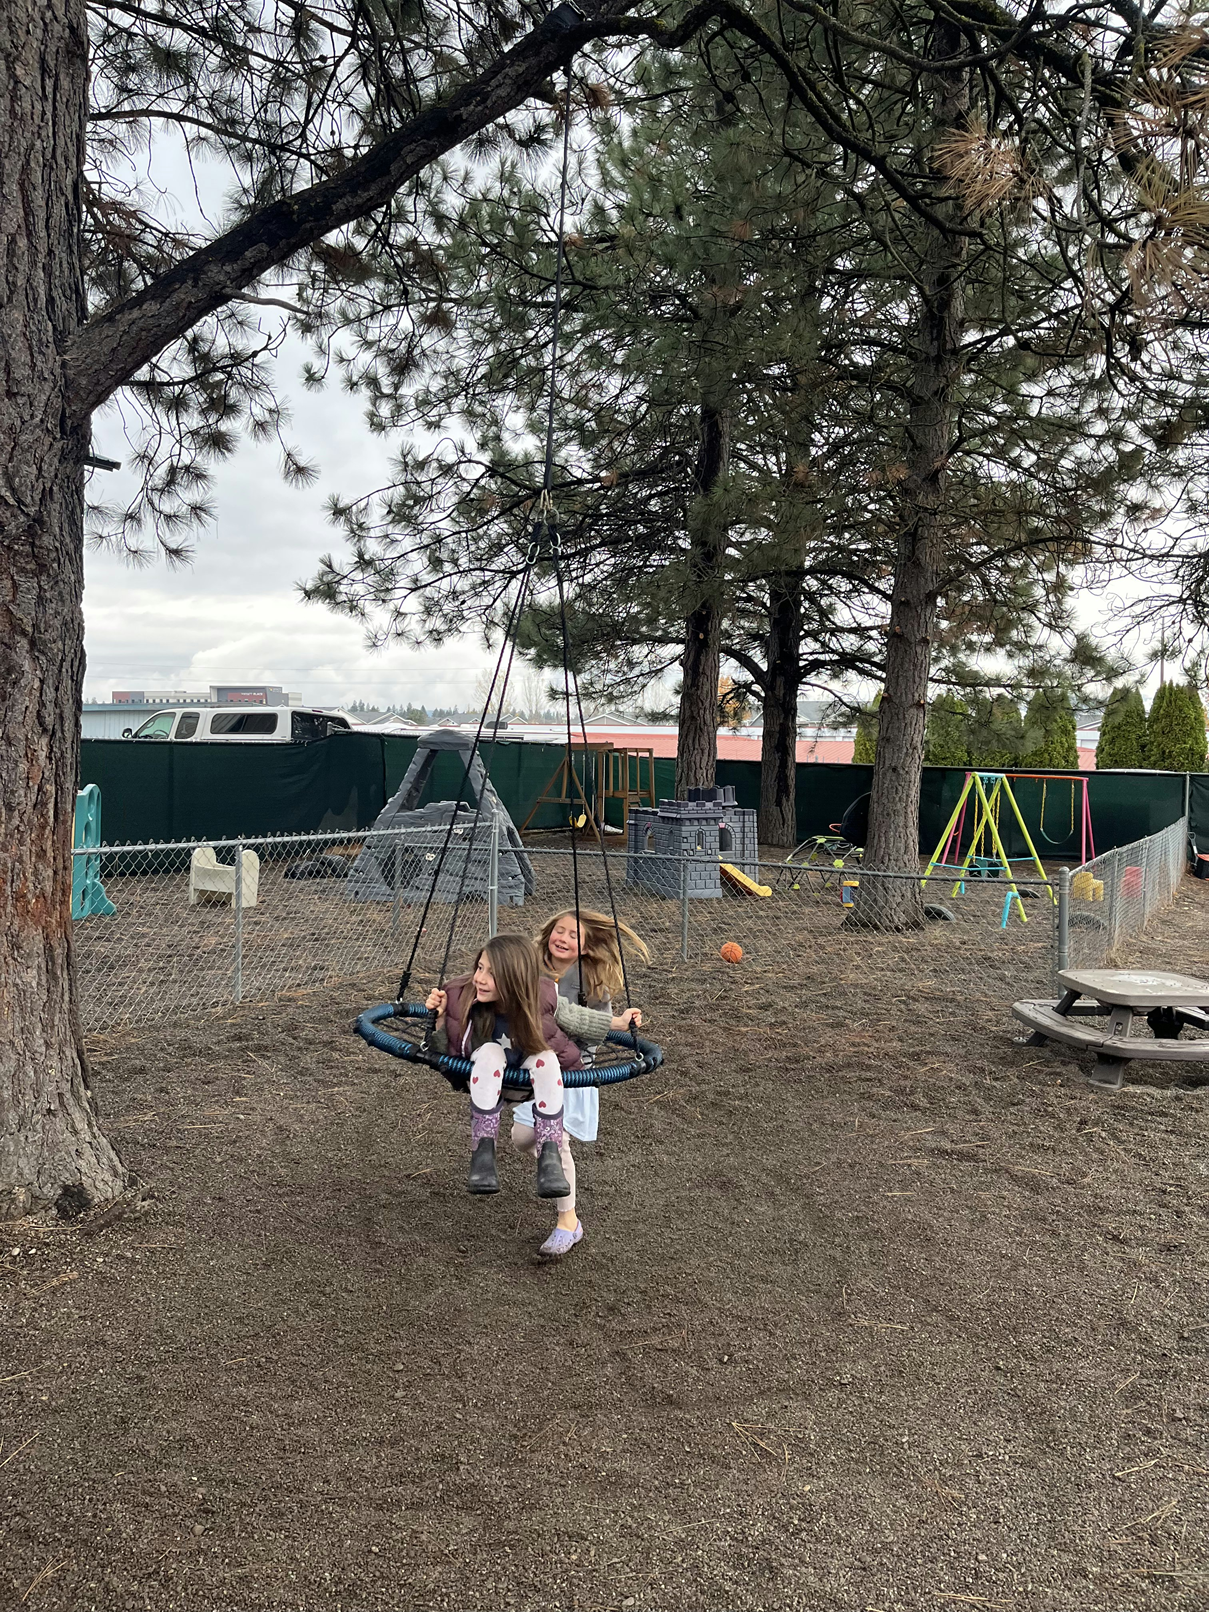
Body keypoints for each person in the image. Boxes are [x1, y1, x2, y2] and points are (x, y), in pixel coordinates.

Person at [512, 908, 650, 1260]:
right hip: (532, 1067)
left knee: (554, 1138)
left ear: (586, 948)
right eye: (559, 930)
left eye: (574, 935)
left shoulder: (589, 981)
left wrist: (616, 1022)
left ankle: (567, 1223)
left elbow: (594, 1024)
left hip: (571, 1070)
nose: (562, 938)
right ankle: (554, 1165)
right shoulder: (528, 964)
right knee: (522, 1138)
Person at [425, 933, 584, 1198]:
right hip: (483, 1081)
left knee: (546, 1057)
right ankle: (483, 1154)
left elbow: (579, 1020)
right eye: (480, 967)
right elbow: (444, 1054)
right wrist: (439, 1019)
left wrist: (621, 1024)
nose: (480, 978)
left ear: (514, 980)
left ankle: (550, 1157)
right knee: (489, 1051)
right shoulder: (459, 995)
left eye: (492, 973)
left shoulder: (540, 998)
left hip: (526, 1084)